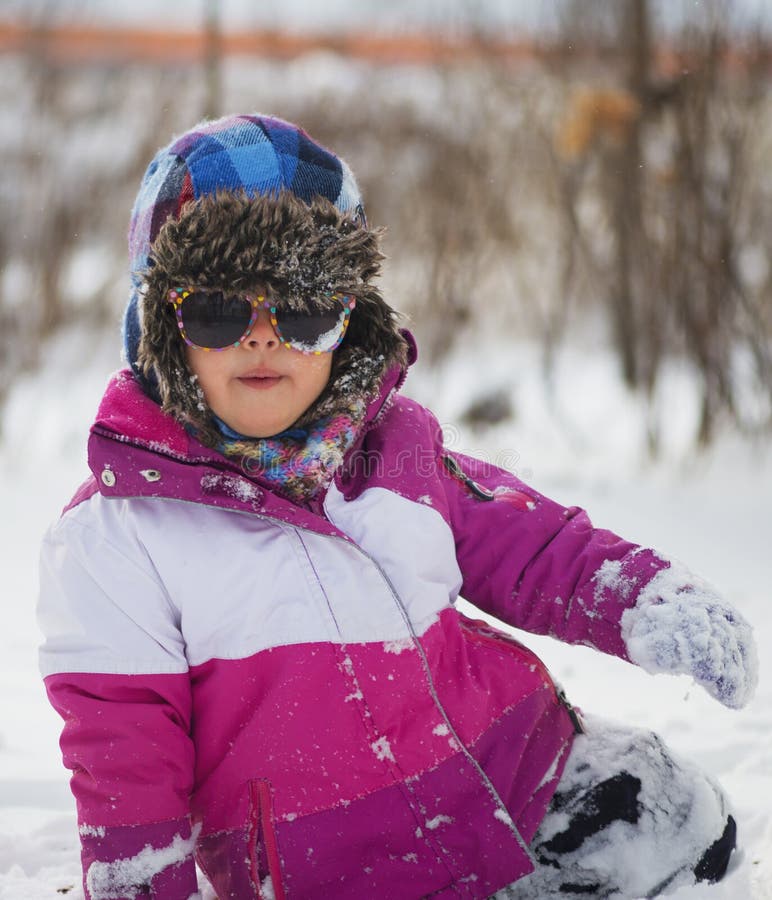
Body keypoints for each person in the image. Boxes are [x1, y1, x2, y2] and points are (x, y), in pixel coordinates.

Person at [37, 113, 757, 900]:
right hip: (339, 871)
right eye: (219, 308)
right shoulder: (122, 535)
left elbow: (534, 545)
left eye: (304, 306)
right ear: (163, 332)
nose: (264, 337)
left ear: (350, 320)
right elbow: (124, 760)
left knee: (695, 832)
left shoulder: (394, 451)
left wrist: (646, 598)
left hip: (516, 774)